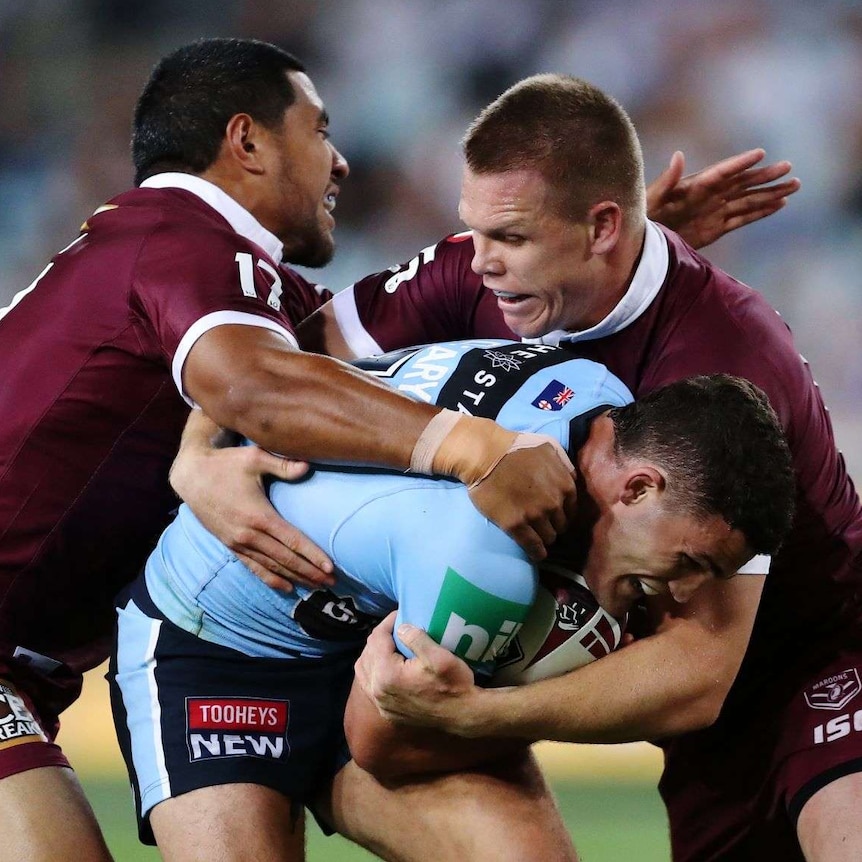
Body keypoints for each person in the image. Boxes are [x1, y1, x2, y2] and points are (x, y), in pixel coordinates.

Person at [0, 41, 589, 862]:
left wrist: (609, 249)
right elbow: (255, 387)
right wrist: (471, 446)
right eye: (319, 130)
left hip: (162, 646)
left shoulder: (224, 278)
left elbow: (399, 307)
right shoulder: (181, 239)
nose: (341, 162)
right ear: (246, 143)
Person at [269, 74, 858, 862]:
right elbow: (279, 368)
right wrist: (205, 460)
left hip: (820, 651)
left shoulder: (723, 360)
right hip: (699, 741)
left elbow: (701, 665)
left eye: (508, 238)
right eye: (473, 230)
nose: (478, 263)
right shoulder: (488, 274)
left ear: (602, 227)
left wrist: (476, 717)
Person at [109, 338, 795, 861]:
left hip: (371, 634)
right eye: (689, 563)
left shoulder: (588, 389)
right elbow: (381, 744)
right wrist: (520, 696)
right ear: (638, 488)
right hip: (215, 650)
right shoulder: (488, 555)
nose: (681, 594)